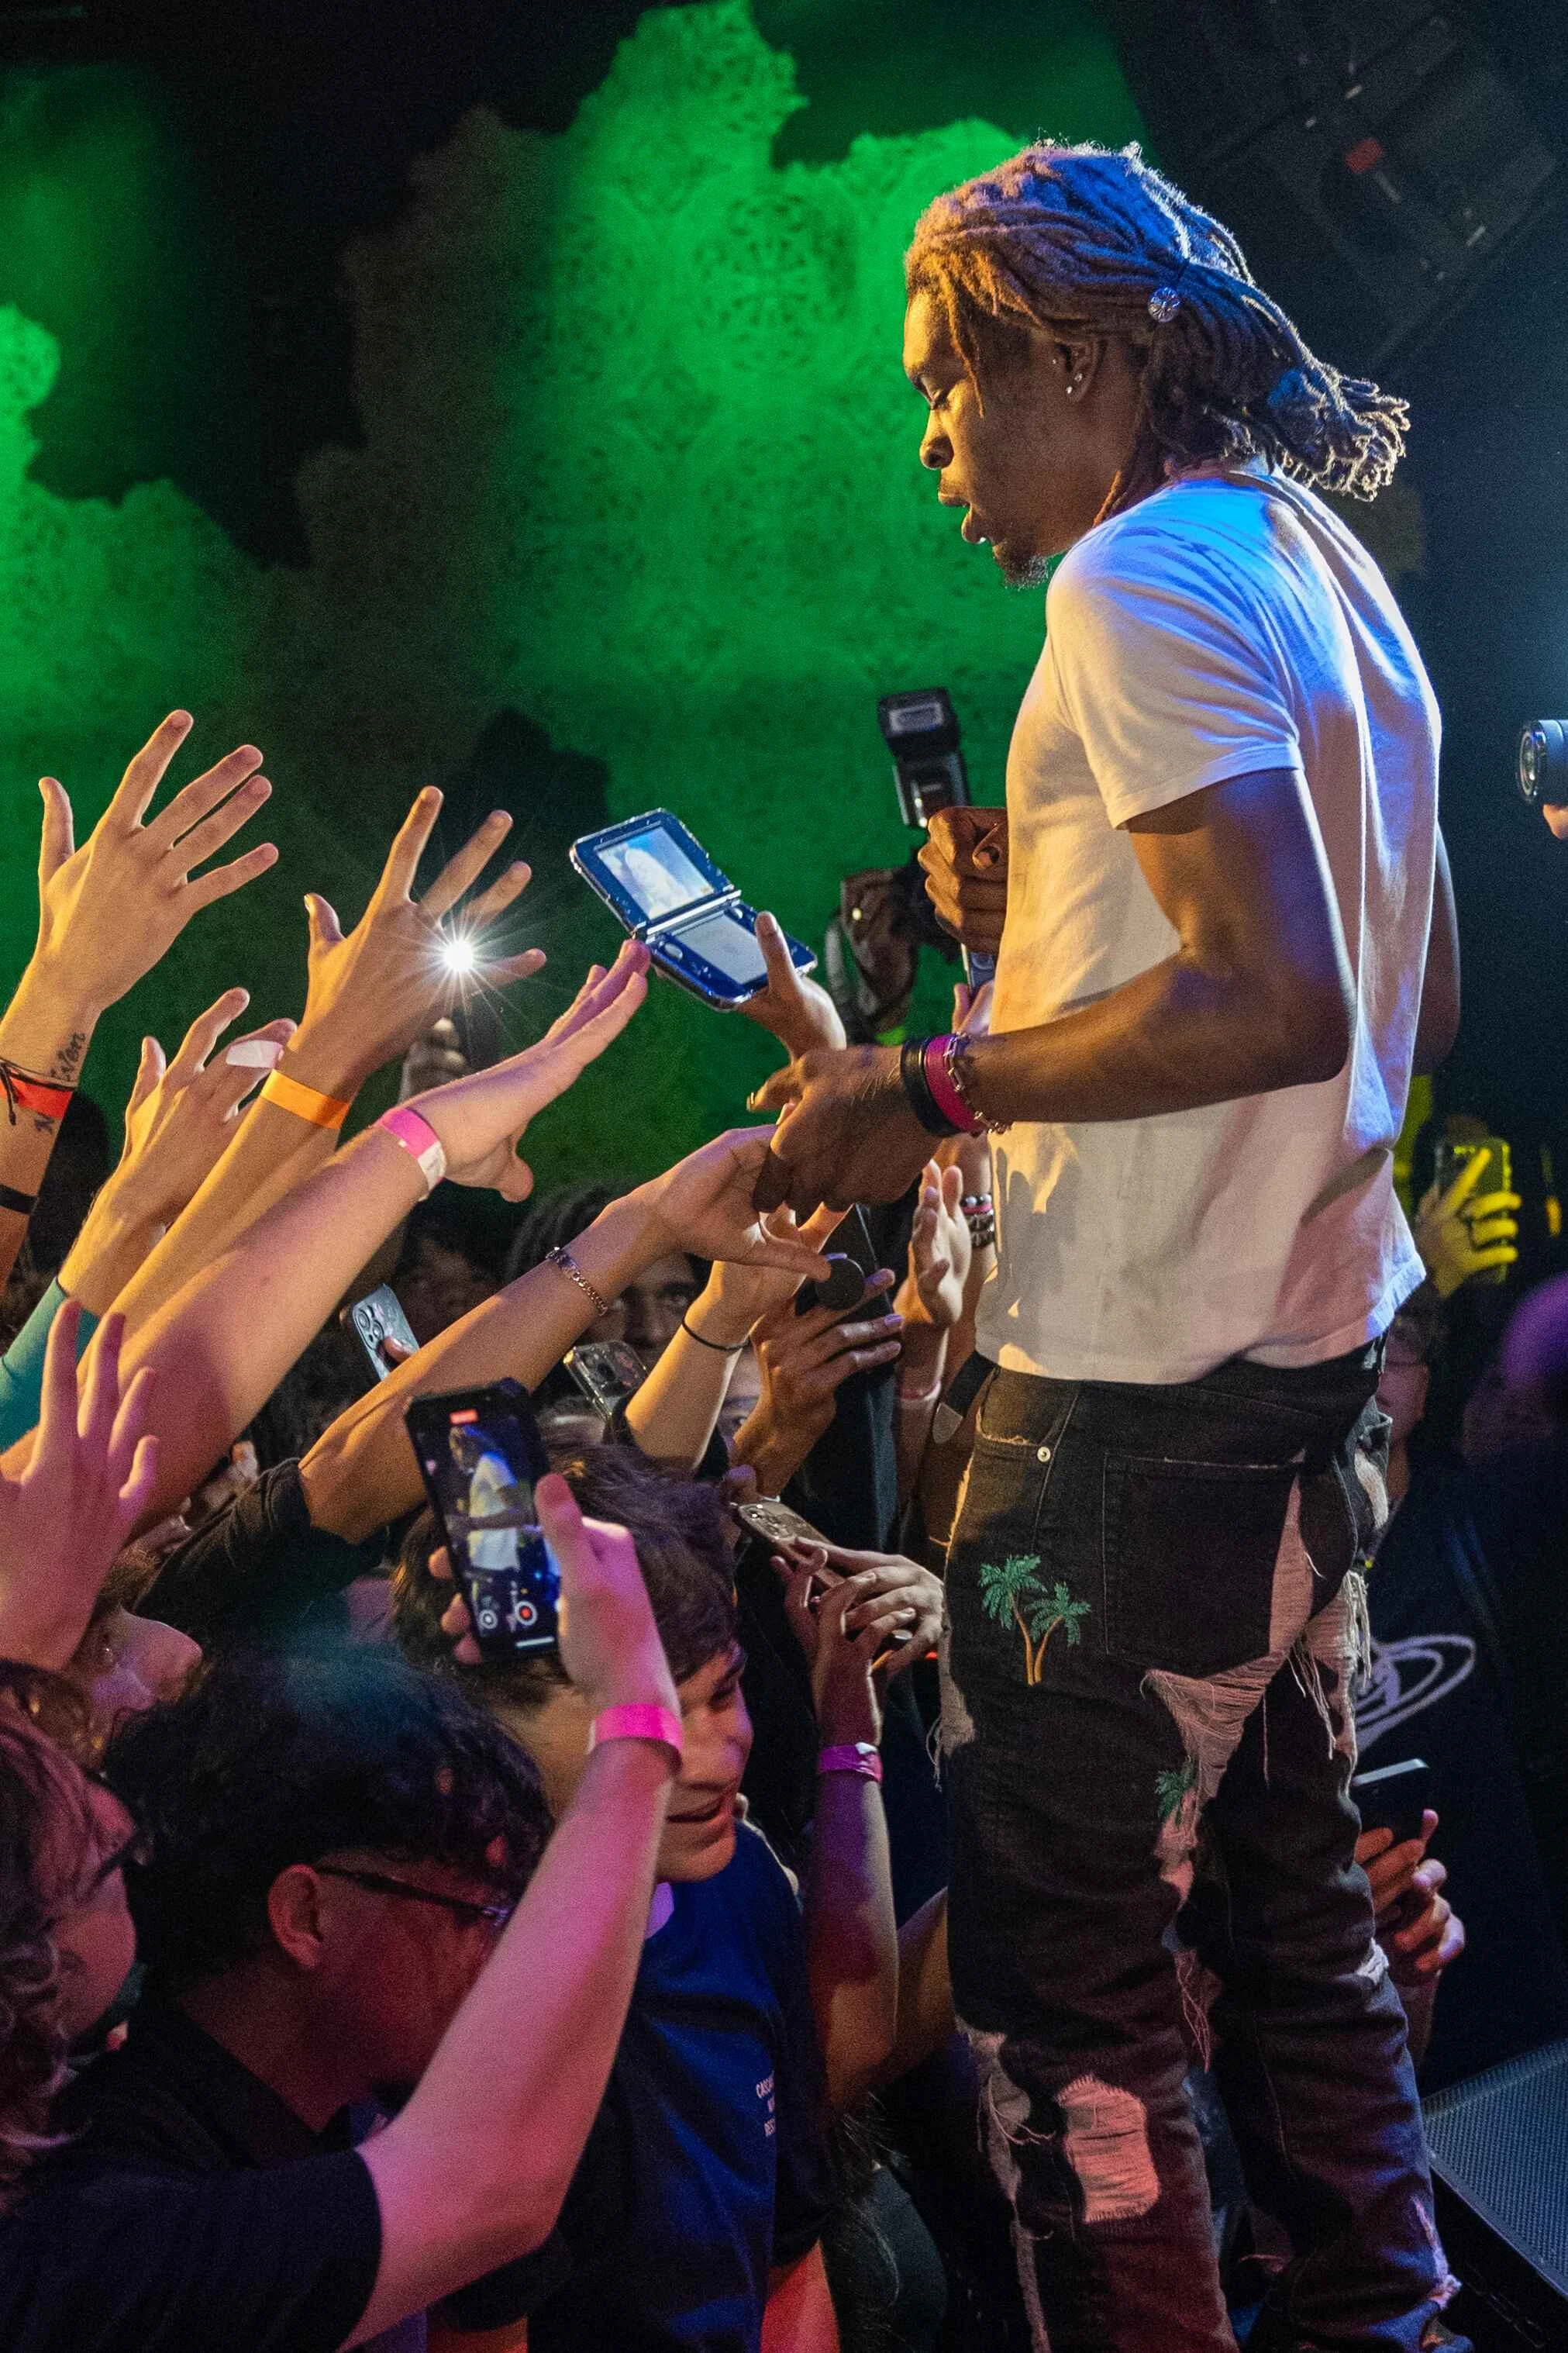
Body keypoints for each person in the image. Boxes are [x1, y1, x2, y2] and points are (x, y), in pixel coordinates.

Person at [747, 140, 1462, 2351]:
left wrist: (921, 1089)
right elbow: (1406, 1002)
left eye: (940, 390)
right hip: (1297, 1404)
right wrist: (1034, 925)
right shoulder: (1313, 560)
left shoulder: (1131, 586)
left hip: (1133, 1434)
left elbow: (1270, 999)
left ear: (1070, 350)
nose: (929, 445)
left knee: (1074, 2044)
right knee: (1300, 1952)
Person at [0, 1472, 685, 2352]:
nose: (125, 1823)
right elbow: (491, 2182)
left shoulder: (301, 2098)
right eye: (479, 1911)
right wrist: (635, 1712)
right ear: (306, 1916)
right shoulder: (96, 2232)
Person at [392, 1447, 845, 2351]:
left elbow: (789, 2264)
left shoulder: (742, 1885)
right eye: (648, 1714)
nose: (716, 1753)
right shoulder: (470, 2003)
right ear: (489, 1734)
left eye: (724, 1691)